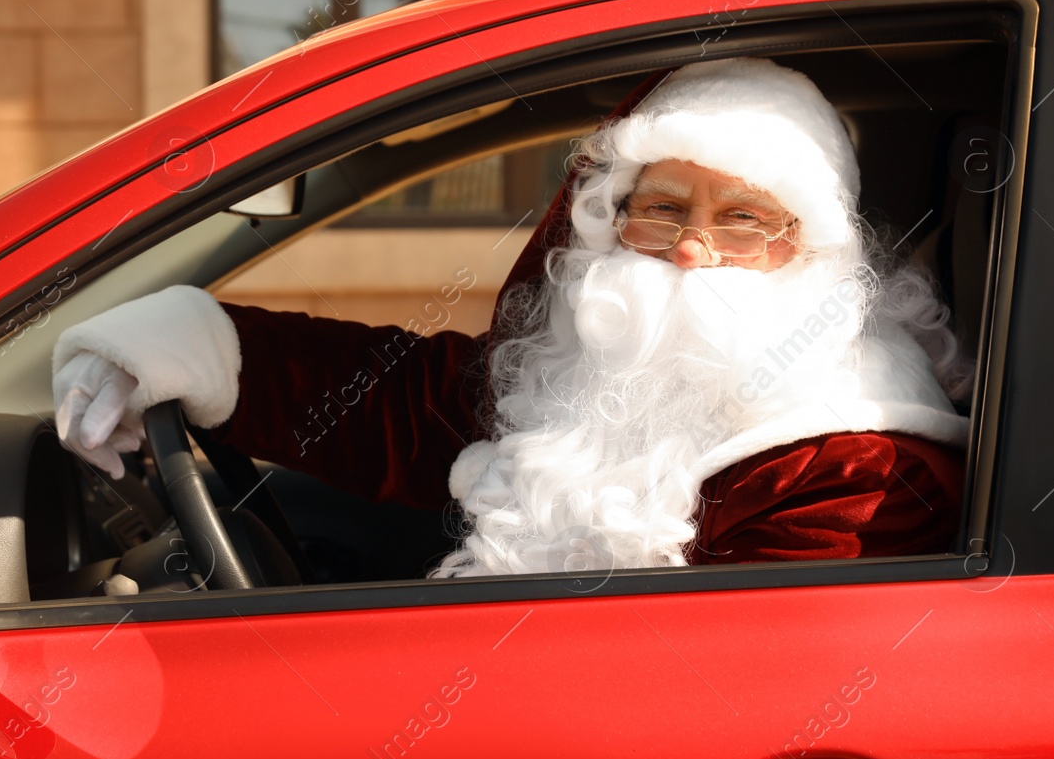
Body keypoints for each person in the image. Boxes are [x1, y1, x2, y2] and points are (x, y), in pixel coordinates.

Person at [52, 57, 972, 577]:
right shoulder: (618, 350)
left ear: (804, 247)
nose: (692, 250)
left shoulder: (855, 463)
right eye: (662, 210)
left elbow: (732, 691)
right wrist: (196, 346)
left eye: (741, 219)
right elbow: (420, 410)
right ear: (614, 222)